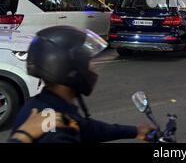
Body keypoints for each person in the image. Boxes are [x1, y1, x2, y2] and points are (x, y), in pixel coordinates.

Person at [9, 26, 154, 143]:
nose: (93, 68)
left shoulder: (46, 107)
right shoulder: (56, 132)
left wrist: (135, 131)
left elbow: (86, 128)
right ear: (70, 67)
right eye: (89, 62)